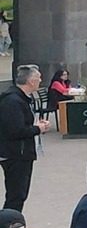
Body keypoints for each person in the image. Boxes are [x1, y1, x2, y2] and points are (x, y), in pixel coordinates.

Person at [0, 66, 55, 211]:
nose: (40, 81)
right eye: (38, 78)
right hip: (16, 153)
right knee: (16, 194)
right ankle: (8, 226)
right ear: (31, 81)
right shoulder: (12, 101)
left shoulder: (22, 98)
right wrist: (38, 129)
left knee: (20, 194)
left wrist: (36, 126)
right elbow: (14, 130)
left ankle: (14, 223)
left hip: (22, 152)